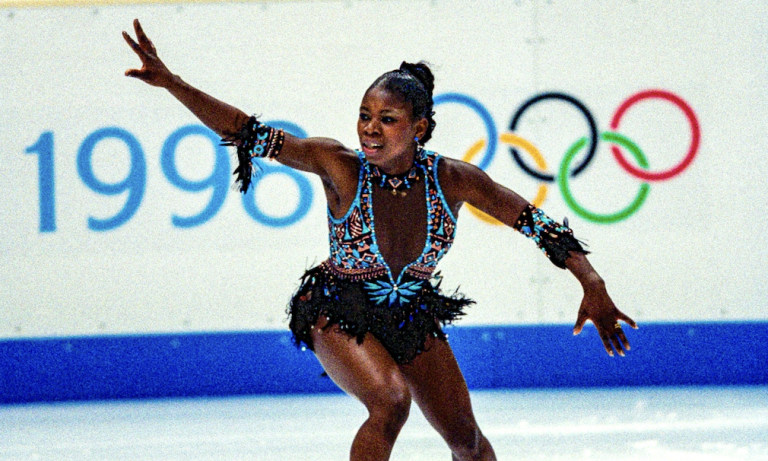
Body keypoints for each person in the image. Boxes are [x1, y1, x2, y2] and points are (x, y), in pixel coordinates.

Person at [123, 18, 637, 461]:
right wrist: (173, 83)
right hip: (338, 307)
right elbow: (248, 131)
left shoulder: (454, 180)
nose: (370, 130)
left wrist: (592, 283)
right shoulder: (339, 166)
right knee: (391, 401)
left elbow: (538, 224)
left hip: (410, 312)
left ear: (421, 128)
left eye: (387, 120)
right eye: (365, 116)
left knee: (468, 442)